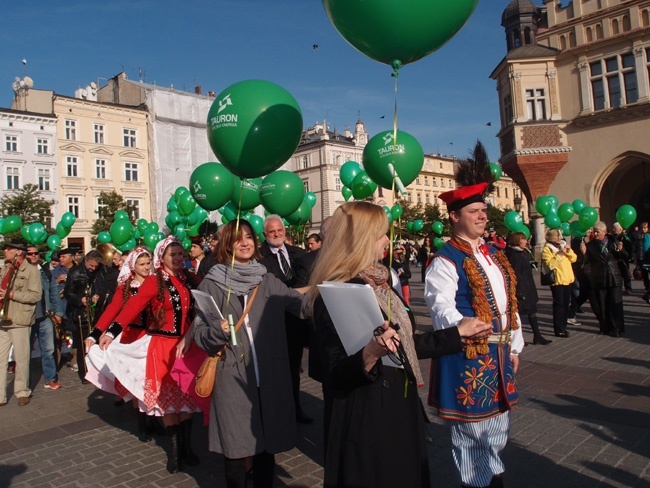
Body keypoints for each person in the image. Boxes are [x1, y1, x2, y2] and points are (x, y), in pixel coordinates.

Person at [308, 202, 492, 488]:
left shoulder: (381, 282)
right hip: (368, 417)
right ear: (362, 238)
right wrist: (369, 353)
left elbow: (405, 344)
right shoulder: (338, 292)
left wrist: (458, 334)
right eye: (382, 233)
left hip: (399, 406)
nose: (387, 240)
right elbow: (334, 373)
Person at [192, 219, 310, 488]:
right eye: (237, 238)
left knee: (266, 448)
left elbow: (300, 306)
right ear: (227, 244)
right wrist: (218, 332)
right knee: (236, 450)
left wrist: (331, 289)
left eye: (248, 237)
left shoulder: (266, 279)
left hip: (268, 376)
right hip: (231, 378)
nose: (245, 243)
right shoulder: (212, 283)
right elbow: (199, 334)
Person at [425, 179, 524, 488]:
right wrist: (465, 327)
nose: (483, 216)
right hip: (469, 355)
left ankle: (492, 478)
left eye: (483, 210)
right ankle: (479, 483)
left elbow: (509, 305)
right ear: (455, 216)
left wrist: (515, 346)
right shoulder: (445, 259)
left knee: (497, 427)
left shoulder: (492, 253)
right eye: (474, 211)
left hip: (500, 353)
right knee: (471, 433)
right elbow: (440, 306)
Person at [105, 237, 201, 473]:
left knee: (186, 402)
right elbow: (132, 307)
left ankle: (187, 449)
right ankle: (175, 452)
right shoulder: (154, 280)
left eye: (180, 254)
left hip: (187, 346)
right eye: (173, 254)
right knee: (168, 404)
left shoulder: (187, 278)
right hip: (163, 347)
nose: (178, 258)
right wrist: (110, 331)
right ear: (162, 257)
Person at [259, 215, 311, 423]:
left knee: (293, 368)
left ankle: (295, 408)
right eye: (272, 232)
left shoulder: (297, 253)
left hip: (295, 321)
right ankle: (275, 411)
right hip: (272, 321)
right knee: (274, 370)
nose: (277, 234)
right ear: (265, 234)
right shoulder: (259, 257)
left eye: (280, 230)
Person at [0, 239, 42, 407]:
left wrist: (12, 295)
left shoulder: (31, 271)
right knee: (0, 358)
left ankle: (22, 391)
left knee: (21, 358)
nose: (5, 251)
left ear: (18, 252)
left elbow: (35, 296)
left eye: (8, 249)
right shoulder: (5, 268)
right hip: (3, 319)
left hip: (20, 319)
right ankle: (1, 395)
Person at [26, 245, 65, 390]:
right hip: (27, 316)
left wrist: (59, 313)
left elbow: (54, 293)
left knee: (49, 349)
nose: (34, 256)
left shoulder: (45, 272)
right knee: (26, 351)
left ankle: (50, 378)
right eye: (30, 254)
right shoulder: (21, 272)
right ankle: (24, 382)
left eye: (36, 253)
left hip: (45, 316)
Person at [63, 249, 103, 383]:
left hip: (94, 312)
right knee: (82, 346)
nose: (93, 268)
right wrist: (81, 299)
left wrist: (97, 295)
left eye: (95, 266)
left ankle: (97, 371)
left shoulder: (98, 270)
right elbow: (68, 294)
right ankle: (84, 373)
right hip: (80, 314)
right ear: (85, 261)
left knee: (95, 344)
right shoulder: (75, 272)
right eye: (91, 265)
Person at [505, 233, 551, 345]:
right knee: (518, 314)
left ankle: (537, 335)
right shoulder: (514, 254)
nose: (526, 242)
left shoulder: (522, 252)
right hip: (522, 288)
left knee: (532, 311)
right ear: (517, 241)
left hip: (528, 286)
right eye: (523, 239)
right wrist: (519, 290)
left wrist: (530, 265)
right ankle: (517, 338)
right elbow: (515, 273)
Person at [585, 221, 626, 336]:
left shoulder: (614, 242)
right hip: (599, 277)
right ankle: (604, 327)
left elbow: (626, 257)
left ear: (604, 232)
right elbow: (587, 264)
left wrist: (621, 250)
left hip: (614, 276)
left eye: (598, 231)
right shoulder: (590, 246)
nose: (596, 234)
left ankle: (617, 329)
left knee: (615, 303)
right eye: (594, 231)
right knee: (602, 304)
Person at [541, 229, 577, 338]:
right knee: (559, 305)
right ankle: (559, 329)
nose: (560, 238)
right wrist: (560, 254)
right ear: (552, 237)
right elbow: (550, 264)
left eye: (560, 236)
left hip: (568, 279)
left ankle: (564, 327)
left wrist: (569, 251)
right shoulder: (547, 249)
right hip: (557, 281)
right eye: (558, 236)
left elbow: (574, 259)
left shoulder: (563, 246)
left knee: (566, 305)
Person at [612, 222, 633, 294]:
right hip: (615, 257)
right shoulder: (613, 237)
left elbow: (630, 248)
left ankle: (628, 288)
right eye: (613, 228)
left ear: (620, 229)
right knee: (617, 274)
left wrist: (623, 250)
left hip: (623, 257)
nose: (613, 230)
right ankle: (618, 287)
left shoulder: (624, 237)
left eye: (615, 228)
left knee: (626, 273)